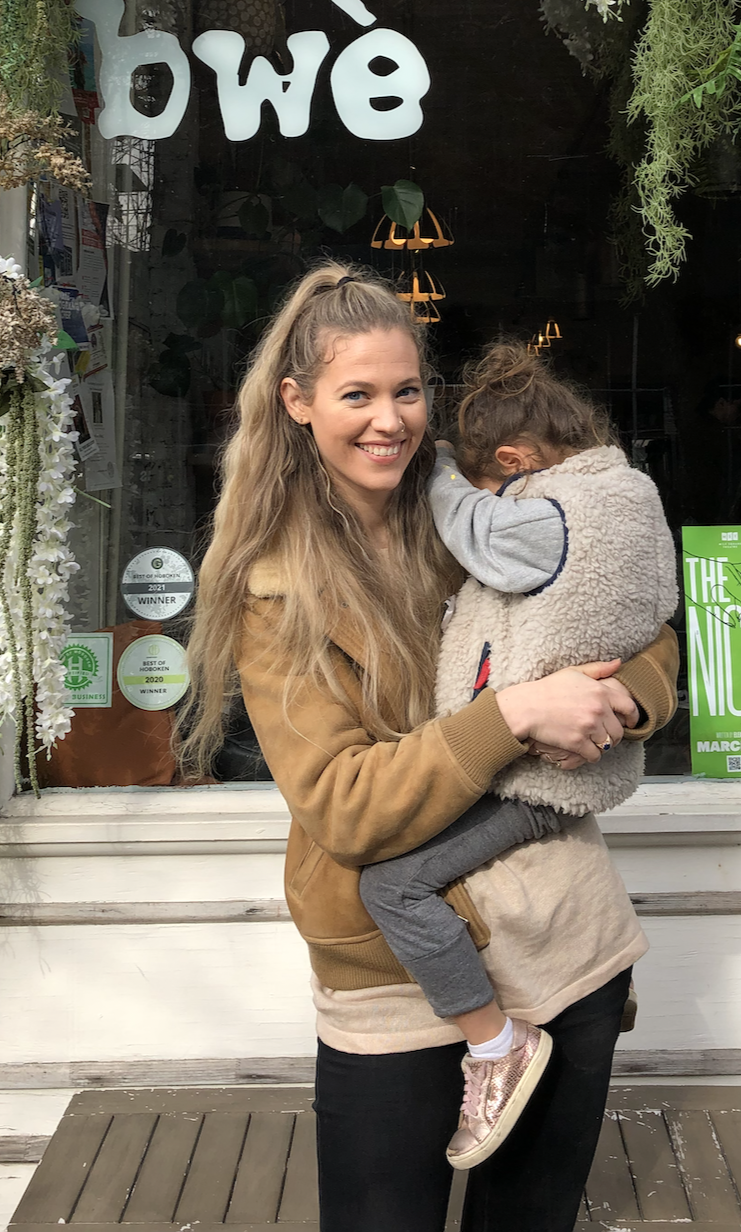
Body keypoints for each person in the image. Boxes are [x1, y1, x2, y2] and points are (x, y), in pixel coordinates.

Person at [180, 263, 679, 1232]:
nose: (388, 419)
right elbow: (343, 803)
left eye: (406, 391)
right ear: (296, 402)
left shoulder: (478, 522)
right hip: (393, 973)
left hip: (559, 933)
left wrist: (623, 696)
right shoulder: (272, 586)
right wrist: (520, 712)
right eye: (356, 394)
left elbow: (634, 619)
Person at [358, 343, 677, 1170]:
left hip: (533, 772)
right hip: (556, 774)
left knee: (391, 884)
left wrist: (431, 467)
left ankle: (497, 1045)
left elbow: (486, 536)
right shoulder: (632, 497)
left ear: (515, 461)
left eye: (492, 480)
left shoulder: (550, 513)